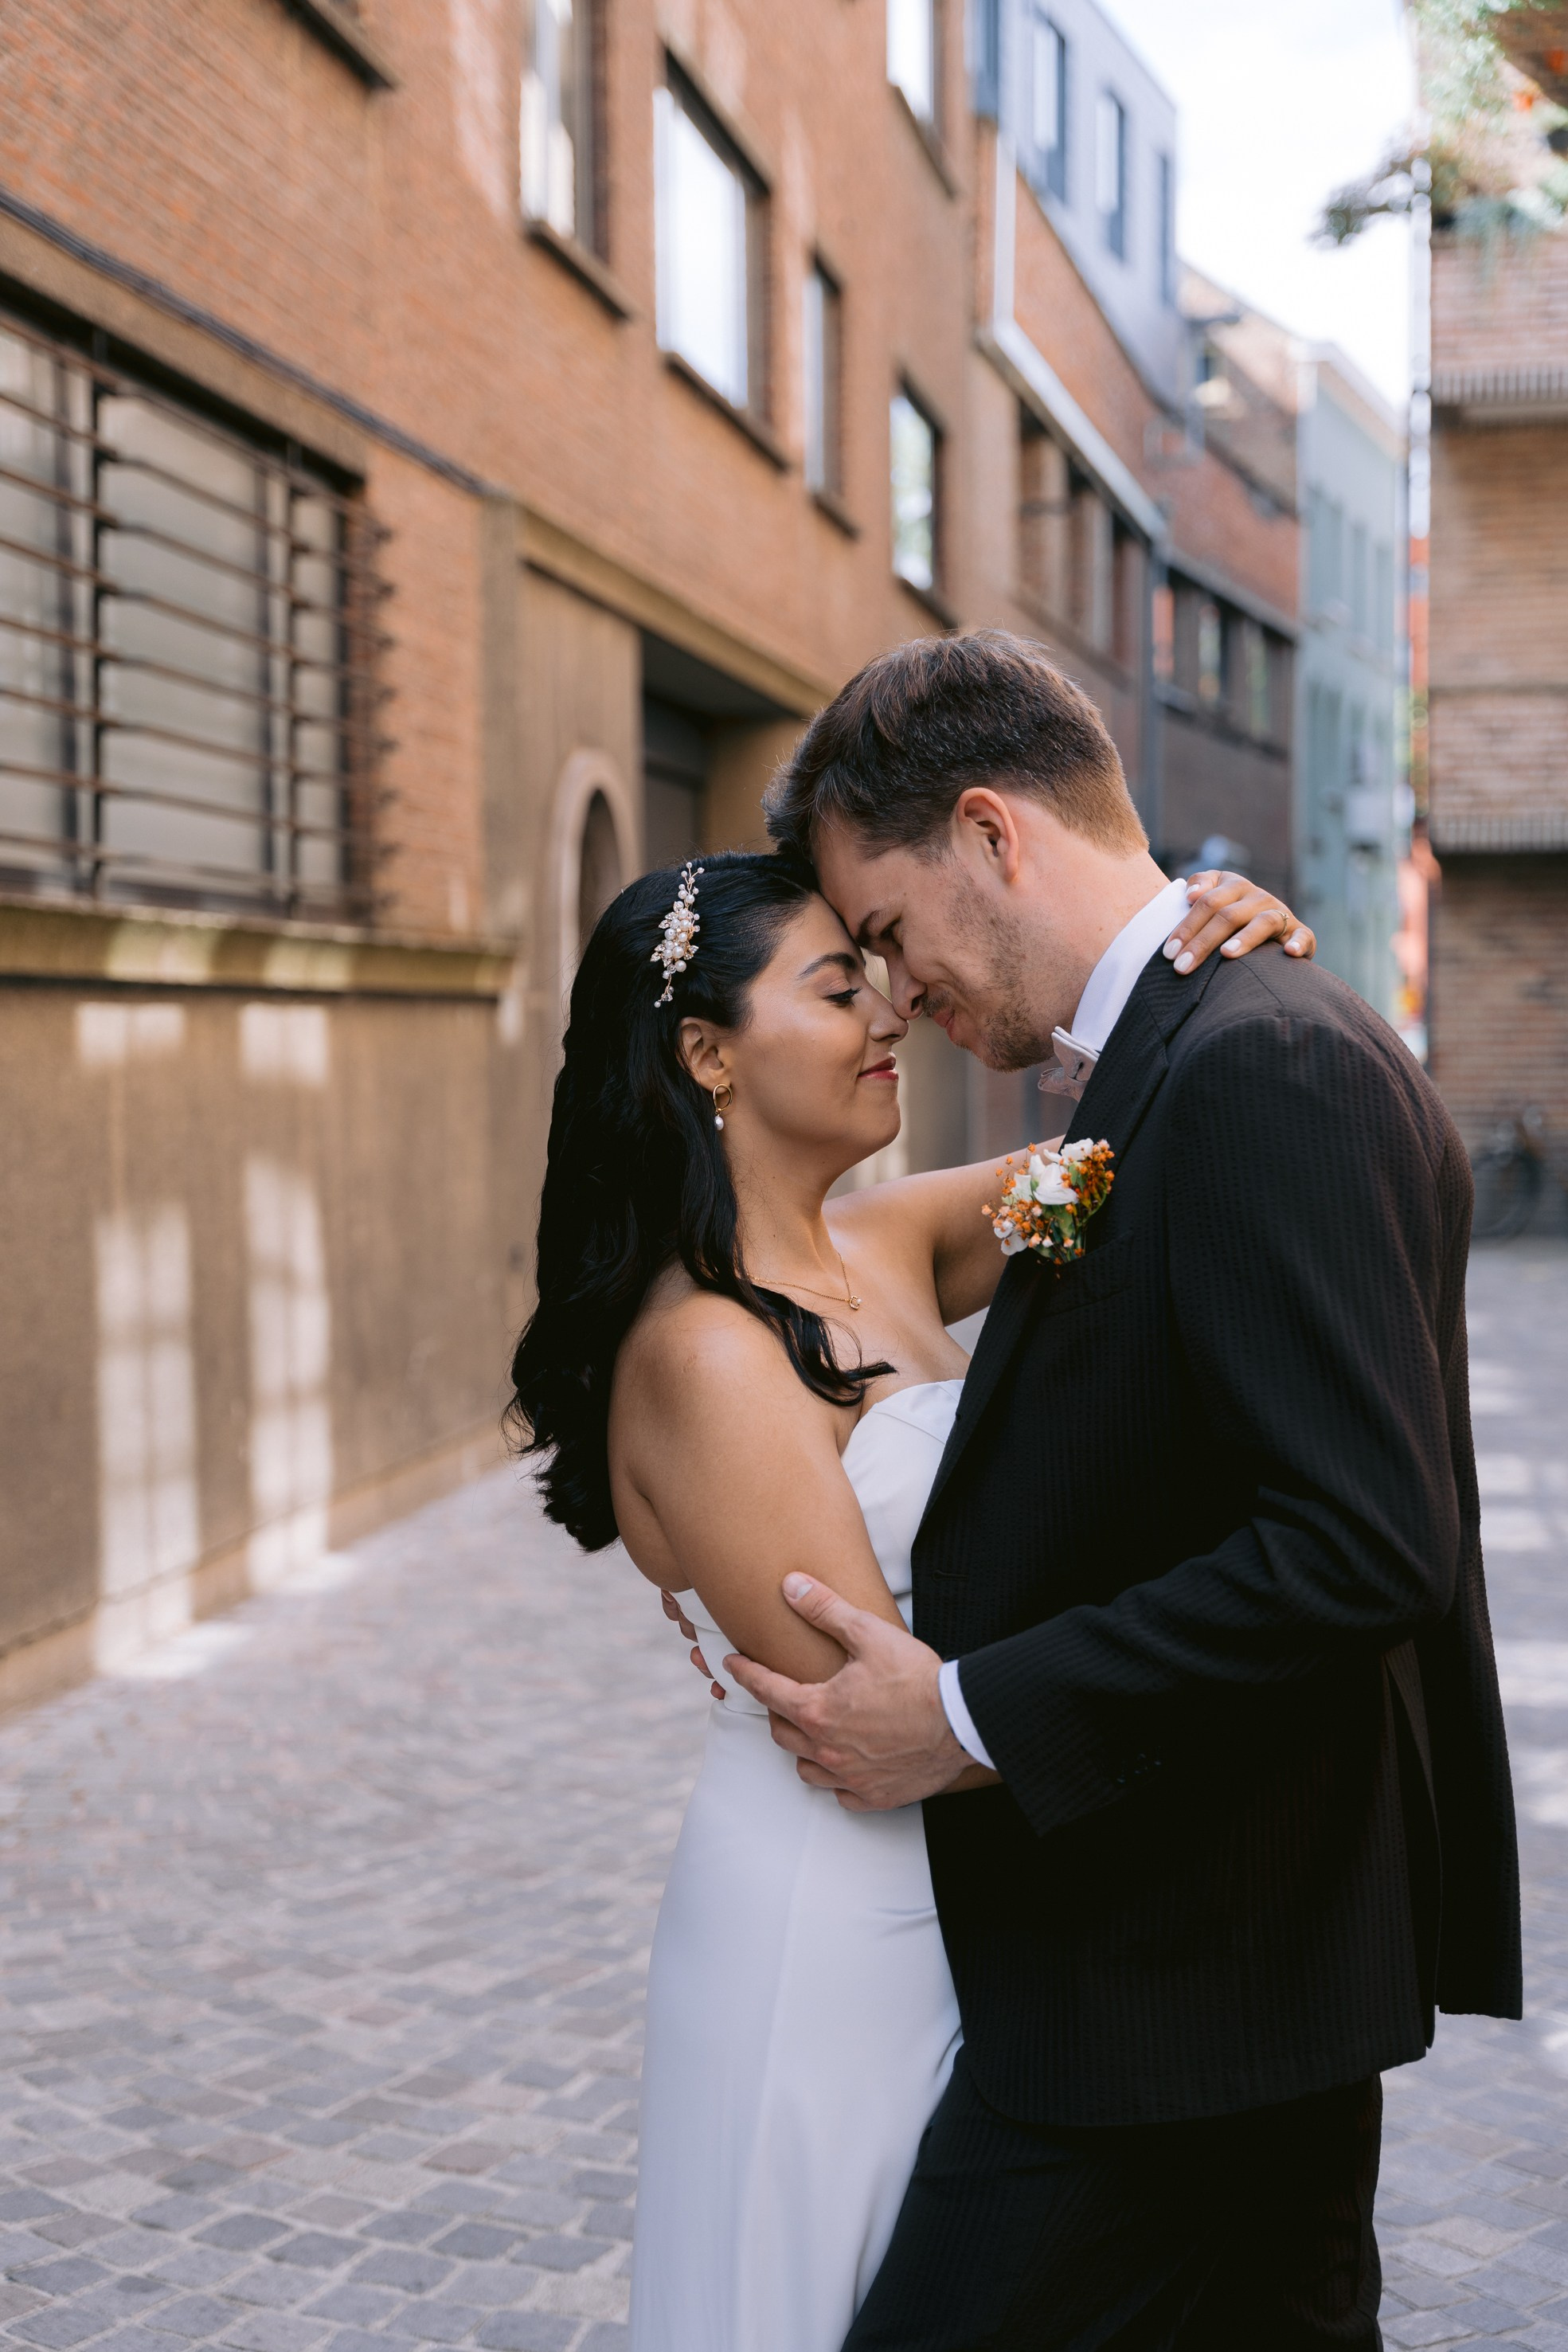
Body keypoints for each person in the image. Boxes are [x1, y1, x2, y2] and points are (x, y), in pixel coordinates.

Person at [710, 630, 1522, 2350]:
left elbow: (1357, 1542)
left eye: (887, 932)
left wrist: (974, 1714)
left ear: (993, 836)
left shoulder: (1259, 1061)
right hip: (1182, 1973)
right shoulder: (1179, 1051)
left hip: (1193, 1980)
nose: (895, 988)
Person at [506, 793, 1305, 2350]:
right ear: (707, 1056)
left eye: (878, 976)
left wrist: (1212, 956)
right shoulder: (706, 1355)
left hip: (988, 1889)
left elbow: (1114, 1163)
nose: (889, 1015)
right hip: (841, 1917)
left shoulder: (882, 1245)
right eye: (833, 985)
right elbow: (876, 1714)